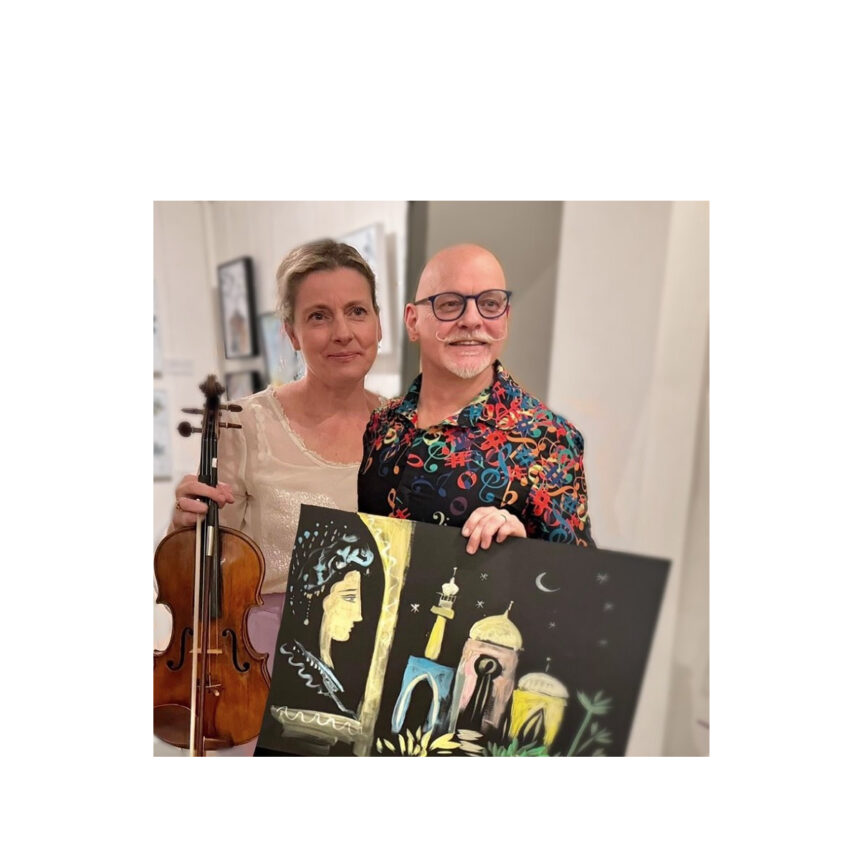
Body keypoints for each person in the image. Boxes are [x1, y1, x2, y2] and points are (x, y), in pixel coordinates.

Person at [160, 238, 385, 755]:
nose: (343, 332)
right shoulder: (245, 424)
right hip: (262, 672)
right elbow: (202, 576)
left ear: (379, 322)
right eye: (319, 316)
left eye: (357, 311)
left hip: (374, 664)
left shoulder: (404, 428)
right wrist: (183, 522)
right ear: (292, 333)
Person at [358, 243, 595, 551]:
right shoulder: (381, 423)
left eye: (490, 304)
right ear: (413, 321)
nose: (472, 320)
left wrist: (522, 550)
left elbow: (576, 574)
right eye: (449, 304)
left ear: (505, 317)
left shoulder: (550, 439)